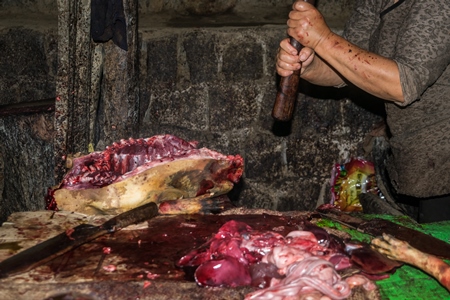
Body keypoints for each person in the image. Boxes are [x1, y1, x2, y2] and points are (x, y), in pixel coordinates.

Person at [276, 0, 450, 222]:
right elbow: (346, 66)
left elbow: (402, 84)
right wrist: (308, 66)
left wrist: (322, 39)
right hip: (417, 162)